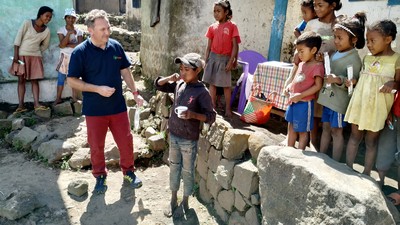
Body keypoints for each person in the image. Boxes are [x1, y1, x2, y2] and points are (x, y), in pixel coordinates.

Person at [67, 9, 144, 194]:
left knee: (126, 141)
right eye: (102, 29)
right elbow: (72, 80)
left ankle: (129, 172)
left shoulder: (115, 47)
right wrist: (97, 89)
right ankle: (100, 176)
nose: (107, 32)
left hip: (117, 106)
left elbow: (125, 71)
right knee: (96, 145)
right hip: (94, 109)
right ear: (90, 30)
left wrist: (135, 92)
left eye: (108, 28)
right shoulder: (80, 52)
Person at [155, 53, 216, 218]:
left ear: (197, 71)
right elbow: (159, 84)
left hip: (189, 140)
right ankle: (173, 199)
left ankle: (186, 200)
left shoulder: (202, 92)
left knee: (187, 171)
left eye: (186, 69)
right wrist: (170, 77)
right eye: (181, 69)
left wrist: (193, 115)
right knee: (173, 166)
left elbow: (211, 116)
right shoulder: (179, 84)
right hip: (174, 135)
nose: (182, 72)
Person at [345, 19, 400, 176]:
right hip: (360, 104)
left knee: (371, 141)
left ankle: (367, 172)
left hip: (378, 108)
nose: (368, 44)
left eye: (372, 41)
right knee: (354, 137)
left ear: (388, 40)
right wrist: (353, 81)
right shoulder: (367, 58)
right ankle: (347, 168)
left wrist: (392, 83)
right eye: (367, 40)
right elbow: (364, 80)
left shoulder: (396, 59)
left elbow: (398, 84)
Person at [317, 12, 366, 161]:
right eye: (335, 37)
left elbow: (352, 81)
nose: (336, 41)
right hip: (328, 99)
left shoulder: (354, 59)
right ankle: (321, 156)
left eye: (340, 38)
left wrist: (338, 79)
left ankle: (336, 161)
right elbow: (330, 68)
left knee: (336, 131)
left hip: (338, 103)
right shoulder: (335, 53)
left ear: (354, 40)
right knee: (325, 128)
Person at [9, 6, 53, 113]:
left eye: (50, 17)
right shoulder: (27, 23)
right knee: (21, 80)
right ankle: (21, 105)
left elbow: (45, 45)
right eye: (47, 16)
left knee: (35, 80)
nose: (48, 18)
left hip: (35, 57)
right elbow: (17, 39)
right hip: (21, 56)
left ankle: (36, 104)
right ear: (40, 14)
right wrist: (16, 56)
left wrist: (36, 52)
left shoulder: (46, 31)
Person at [284, 31, 324, 150]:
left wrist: (300, 95)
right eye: (298, 51)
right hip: (293, 102)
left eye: (302, 51)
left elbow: (318, 86)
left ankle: (299, 155)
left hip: (304, 104)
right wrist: (289, 87)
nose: (299, 54)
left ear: (313, 50)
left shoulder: (317, 66)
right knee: (291, 126)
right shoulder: (301, 64)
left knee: (302, 131)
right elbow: (297, 79)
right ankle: (288, 150)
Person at [203, 0, 241, 117]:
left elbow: (235, 46)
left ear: (226, 12)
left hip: (225, 59)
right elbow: (208, 46)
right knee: (212, 84)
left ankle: (228, 109)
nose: (216, 14)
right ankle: (212, 106)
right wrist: (206, 60)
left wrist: (232, 60)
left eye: (219, 11)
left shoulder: (232, 26)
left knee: (226, 85)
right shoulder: (212, 27)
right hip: (213, 58)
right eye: (214, 11)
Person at [54, 8, 83, 105]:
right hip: (64, 57)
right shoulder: (61, 30)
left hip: (74, 57)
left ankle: (74, 98)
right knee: (61, 78)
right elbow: (62, 45)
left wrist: (67, 44)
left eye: (73, 18)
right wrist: (69, 33)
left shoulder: (79, 31)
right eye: (68, 18)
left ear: (75, 19)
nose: (70, 20)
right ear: (65, 18)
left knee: (74, 77)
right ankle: (58, 98)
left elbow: (79, 46)